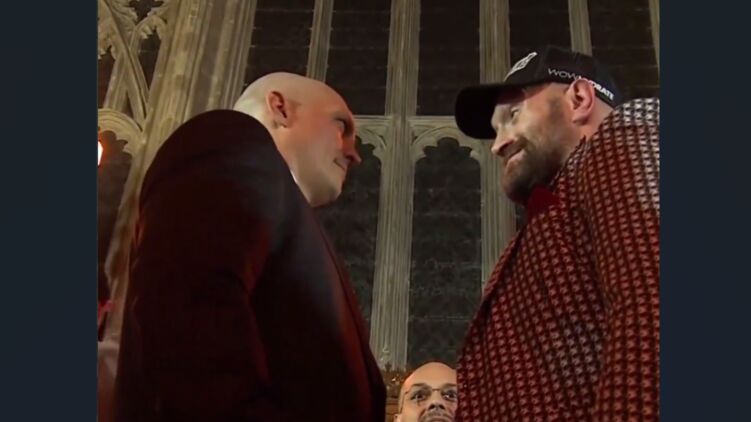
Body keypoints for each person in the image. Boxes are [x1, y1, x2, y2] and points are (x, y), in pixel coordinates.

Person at [113, 72, 386, 421]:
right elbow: (189, 313)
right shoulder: (230, 140)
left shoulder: (288, 215)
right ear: (280, 108)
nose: (354, 153)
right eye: (341, 126)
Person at [453, 46, 659, 421]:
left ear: (579, 99)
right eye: (495, 131)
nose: (497, 145)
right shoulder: (560, 209)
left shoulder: (623, 140)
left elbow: (655, 306)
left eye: (513, 116)